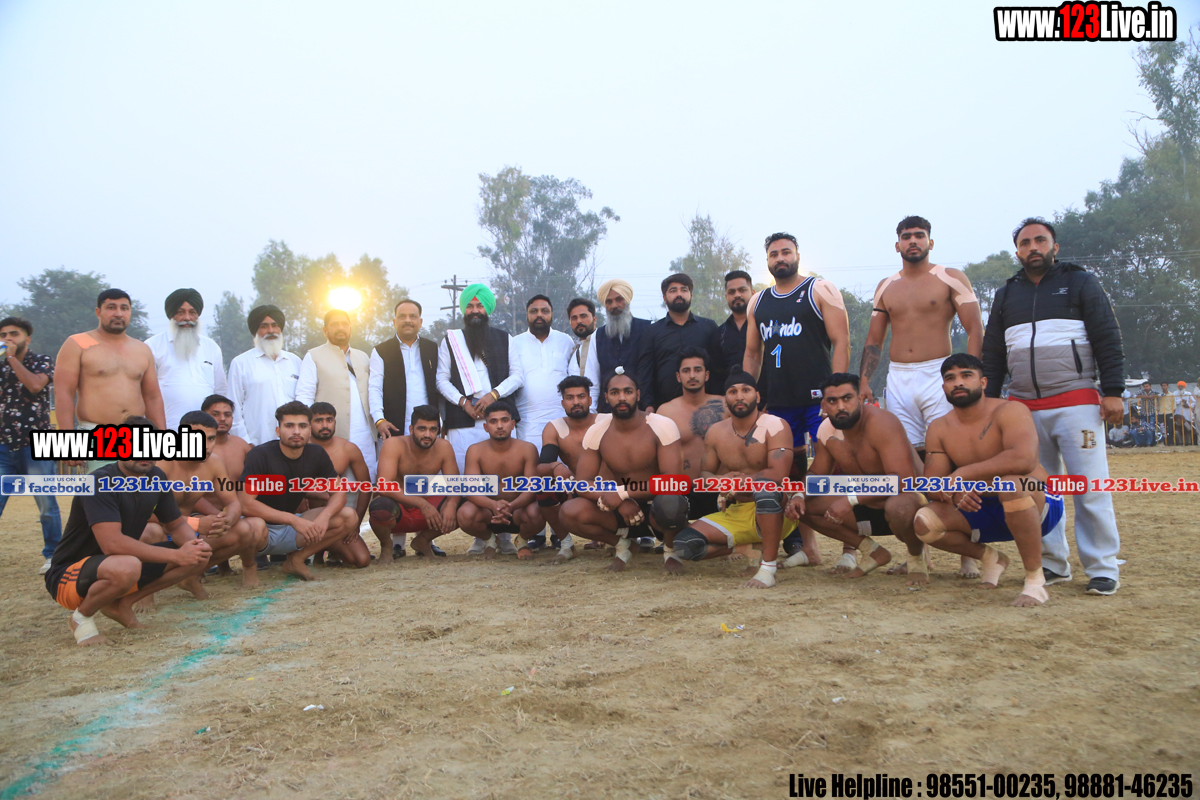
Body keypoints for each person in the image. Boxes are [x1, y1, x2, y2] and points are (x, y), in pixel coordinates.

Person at [982, 217, 1124, 596]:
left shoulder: (1080, 282)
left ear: (1054, 247)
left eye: (1040, 240)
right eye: (1025, 242)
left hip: (1076, 401)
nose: (1033, 247)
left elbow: (1107, 336)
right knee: (1037, 489)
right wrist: (990, 405)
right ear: (1017, 251)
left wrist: (1113, 390)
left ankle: (1102, 568)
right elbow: (993, 353)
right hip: (1023, 409)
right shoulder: (1006, 294)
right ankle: (1052, 563)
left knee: (1089, 487)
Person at [859, 215, 985, 579]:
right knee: (908, 461)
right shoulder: (886, 286)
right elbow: (874, 338)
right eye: (906, 236)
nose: (913, 240)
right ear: (896, 244)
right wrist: (864, 379)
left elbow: (974, 326)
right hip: (899, 377)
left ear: (930, 241)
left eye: (919, 235)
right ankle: (919, 553)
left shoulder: (950, 277)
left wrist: (972, 373)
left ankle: (967, 553)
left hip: (938, 373)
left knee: (954, 456)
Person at [43, 415, 212, 646]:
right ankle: (81, 619)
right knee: (128, 565)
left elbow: (176, 524)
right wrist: (176, 555)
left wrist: (194, 545)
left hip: (117, 565)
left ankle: (120, 605)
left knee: (198, 554)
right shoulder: (99, 481)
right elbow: (112, 544)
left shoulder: (156, 477)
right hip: (69, 575)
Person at [915, 354, 1066, 607]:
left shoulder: (1010, 410)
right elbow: (934, 483)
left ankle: (1034, 580)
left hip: (1038, 503)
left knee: (1011, 484)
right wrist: (954, 493)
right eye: (950, 378)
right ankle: (990, 558)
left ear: (983, 382)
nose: (958, 382)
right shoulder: (939, 427)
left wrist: (963, 475)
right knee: (924, 522)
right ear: (943, 387)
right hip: (982, 506)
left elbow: (1023, 460)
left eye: (966, 375)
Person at [744, 232, 851, 566]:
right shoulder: (758, 301)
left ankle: (850, 549)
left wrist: (836, 394)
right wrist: (748, 393)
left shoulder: (820, 289)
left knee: (835, 468)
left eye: (786, 252)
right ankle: (809, 547)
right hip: (779, 402)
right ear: (767, 261)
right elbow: (753, 353)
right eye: (774, 254)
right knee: (789, 475)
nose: (780, 258)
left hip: (818, 400)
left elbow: (841, 340)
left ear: (798, 256)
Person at [784, 374, 927, 585]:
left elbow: (903, 481)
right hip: (864, 505)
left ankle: (916, 559)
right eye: (833, 401)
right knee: (802, 505)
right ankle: (872, 552)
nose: (841, 406)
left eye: (847, 398)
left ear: (860, 398)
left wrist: (851, 499)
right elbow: (817, 474)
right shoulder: (827, 429)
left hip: (905, 504)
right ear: (824, 405)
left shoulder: (882, 423)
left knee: (900, 505)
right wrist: (798, 495)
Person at [669, 372, 795, 586]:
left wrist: (739, 482)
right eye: (733, 391)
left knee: (765, 490)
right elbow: (705, 474)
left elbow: (778, 474)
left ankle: (767, 568)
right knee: (684, 545)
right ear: (725, 399)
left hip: (775, 509)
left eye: (746, 390)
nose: (739, 396)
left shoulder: (775, 425)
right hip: (737, 510)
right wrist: (721, 479)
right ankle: (746, 548)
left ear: (757, 395)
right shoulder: (716, 431)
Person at [558, 369, 687, 572]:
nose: (621, 398)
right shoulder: (598, 431)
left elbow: (672, 481)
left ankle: (670, 550)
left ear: (638, 394)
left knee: (672, 501)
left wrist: (622, 493)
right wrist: (619, 501)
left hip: (658, 505)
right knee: (569, 511)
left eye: (627, 391)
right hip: (620, 509)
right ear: (606, 397)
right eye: (615, 392)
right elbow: (582, 483)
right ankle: (623, 546)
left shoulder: (661, 425)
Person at [237, 401, 368, 581]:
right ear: (278, 431)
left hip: (292, 528)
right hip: (260, 529)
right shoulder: (260, 455)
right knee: (256, 525)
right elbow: (245, 504)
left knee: (348, 516)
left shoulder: (316, 453)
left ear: (309, 430)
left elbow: (338, 493)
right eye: (289, 426)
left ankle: (296, 560)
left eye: (302, 426)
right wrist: (292, 520)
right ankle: (249, 567)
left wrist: (324, 517)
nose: (297, 431)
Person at [143, 410, 264, 590]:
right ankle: (145, 591)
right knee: (149, 531)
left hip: (189, 532)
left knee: (246, 528)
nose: (206, 446)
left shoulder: (214, 463)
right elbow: (143, 512)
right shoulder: (161, 462)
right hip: (160, 530)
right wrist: (196, 524)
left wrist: (227, 519)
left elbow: (232, 502)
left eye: (210, 439)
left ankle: (190, 576)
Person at [54, 289, 167, 471]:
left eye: (124, 308)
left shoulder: (141, 349)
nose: (118, 313)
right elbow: (64, 393)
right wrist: (67, 441)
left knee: (138, 489)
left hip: (136, 438)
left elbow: (152, 397)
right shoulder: (78, 343)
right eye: (111, 307)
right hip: (96, 434)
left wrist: (161, 440)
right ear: (98, 312)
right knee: (101, 488)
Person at [436, 284, 522, 471]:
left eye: (480, 306)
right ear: (464, 310)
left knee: (504, 475)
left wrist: (493, 395)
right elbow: (441, 380)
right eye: (470, 306)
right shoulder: (451, 341)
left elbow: (517, 376)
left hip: (499, 419)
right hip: (462, 422)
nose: (475, 311)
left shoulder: (505, 338)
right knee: (465, 476)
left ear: (488, 309)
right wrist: (464, 403)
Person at [0, 317, 62, 574]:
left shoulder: (42, 361)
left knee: (46, 504)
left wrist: (12, 359)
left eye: (14, 334)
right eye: (3, 335)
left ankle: (54, 555)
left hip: (37, 443)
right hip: (4, 444)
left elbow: (36, 385)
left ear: (27, 338)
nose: (8, 339)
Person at [369, 405, 459, 561]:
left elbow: (455, 484)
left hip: (428, 510)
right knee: (380, 507)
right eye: (422, 429)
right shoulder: (394, 445)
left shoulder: (444, 447)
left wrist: (451, 505)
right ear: (411, 429)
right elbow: (383, 486)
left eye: (433, 429)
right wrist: (421, 504)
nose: (427, 435)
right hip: (400, 509)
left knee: (463, 506)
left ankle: (423, 540)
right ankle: (387, 545)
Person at [455, 401, 544, 559]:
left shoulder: (527, 449)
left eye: (504, 420)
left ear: (512, 424)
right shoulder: (475, 451)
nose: (500, 426)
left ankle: (522, 541)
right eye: (493, 421)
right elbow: (471, 490)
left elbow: (532, 489)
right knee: (465, 514)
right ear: (486, 427)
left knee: (537, 512)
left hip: (518, 511)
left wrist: (511, 506)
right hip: (488, 512)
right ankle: (490, 540)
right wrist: (493, 505)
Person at [297, 309, 377, 479]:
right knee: (331, 485)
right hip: (330, 436)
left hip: (365, 436)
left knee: (366, 482)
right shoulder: (313, 356)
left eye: (344, 324)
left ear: (350, 328)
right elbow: (305, 395)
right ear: (325, 330)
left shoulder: (363, 357)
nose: (340, 328)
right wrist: (305, 430)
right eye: (335, 324)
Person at [653, 347, 726, 529]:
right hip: (684, 491)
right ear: (678, 377)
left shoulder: (725, 406)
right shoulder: (665, 411)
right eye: (686, 371)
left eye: (697, 370)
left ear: (707, 375)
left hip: (721, 489)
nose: (692, 375)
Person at [144, 289, 227, 431]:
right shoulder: (152, 346)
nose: (187, 318)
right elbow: (145, 394)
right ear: (171, 315)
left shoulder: (211, 347)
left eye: (192, 312)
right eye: (180, 312)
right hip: (167, 432)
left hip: (207, 434)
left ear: (198, 315)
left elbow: (221, 392)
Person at [535, 375, 597, 562]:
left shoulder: (605, 422)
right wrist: (556, 466)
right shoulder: (554, 428)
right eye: (570, 398)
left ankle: (623, 540)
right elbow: (541, 467)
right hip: (574, 485)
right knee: (543, 485)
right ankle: (566, 544)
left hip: (606, 484)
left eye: (581, 397)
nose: (576, 402)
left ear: (590, 400)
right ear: (563, 403)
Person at [637, 273, 720, 409]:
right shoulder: (651, 332)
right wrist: (648, 404)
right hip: (663, 408)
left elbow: (717, 368)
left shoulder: (708, 327)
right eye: (673, 290)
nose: (679, 294)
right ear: (665, 298)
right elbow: (645, 372)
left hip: (705, 407)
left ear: (691, 296)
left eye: (684, 290)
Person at [227, 305, 302, 446]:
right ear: (256, 330)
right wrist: (245, 443)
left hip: (293, 443)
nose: (271, 331)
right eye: (264, 326)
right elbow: (234, 407)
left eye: (275, 325)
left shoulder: (295, 361)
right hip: (257, 443)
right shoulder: (241, 363)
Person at [368, 299, 438, 441]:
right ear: (394, 322)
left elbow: (440, 385)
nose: (407, 320)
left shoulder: (432, 348)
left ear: (420, 322)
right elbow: (375, 388)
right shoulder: (381, 351)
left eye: (412, 316)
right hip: (393, 428)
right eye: (402, 316)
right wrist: (379, 419)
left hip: (427, 428)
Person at [511, 294, 575, 444]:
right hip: (527, 423)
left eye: (544, 311)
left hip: (562, 420)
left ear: (552, 314)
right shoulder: (514, 343)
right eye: (534, 311)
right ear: (527, 315)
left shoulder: (565, 341)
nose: (539, 315)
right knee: (530, 458)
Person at [583, 279, 652, 413]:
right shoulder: (597, 336)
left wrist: (650, 405)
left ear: (627, 300)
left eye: (619, 300)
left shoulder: (648, 329)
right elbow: (592, 380)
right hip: (608, 412)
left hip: (642, 410)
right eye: (609, 302)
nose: (614, 305)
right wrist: (591, 413)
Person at [308, 402, 372, 525]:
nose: (325, 425)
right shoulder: (300, 448)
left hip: (338, 513)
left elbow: (365, 487)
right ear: (309, 424)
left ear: (335, 422)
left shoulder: (348, 448)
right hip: (304, 517)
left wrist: (356, 523)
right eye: (319, 421)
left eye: (329, 420)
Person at [709, 270, 767, 399]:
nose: (737, 295)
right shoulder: (719, 334)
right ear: (726, 297)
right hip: (732, 404)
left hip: (767, 403)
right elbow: (716, 376)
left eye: (742, 290)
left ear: (753, 293)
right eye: (732, 292)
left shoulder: (766, 327)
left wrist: (769, 402)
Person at [201, 394, 253, 484]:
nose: (222, 418)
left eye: (227, 415)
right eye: (215, 414)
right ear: (203, 416)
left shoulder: (241, 445)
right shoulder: (193, 448)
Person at [567, 298, 599, 406]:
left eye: (583, 316)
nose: (579, 321)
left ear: (594, 319)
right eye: (574, 318)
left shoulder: (600, 342)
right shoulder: (575, 348)